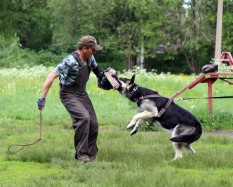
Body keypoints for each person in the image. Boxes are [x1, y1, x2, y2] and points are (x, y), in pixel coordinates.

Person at [37, 35, 113, 162]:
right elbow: (51, 76)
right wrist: (42, 98)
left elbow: (97, 70)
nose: (94, 52)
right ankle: (82, 155)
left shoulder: (90, 58)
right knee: (84, 118)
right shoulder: (70, 61)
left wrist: (107, 78)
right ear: (84, 49)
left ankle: (91, 155)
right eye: (92, 49)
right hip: (68, 94)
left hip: (81, 93)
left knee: (93, 123)